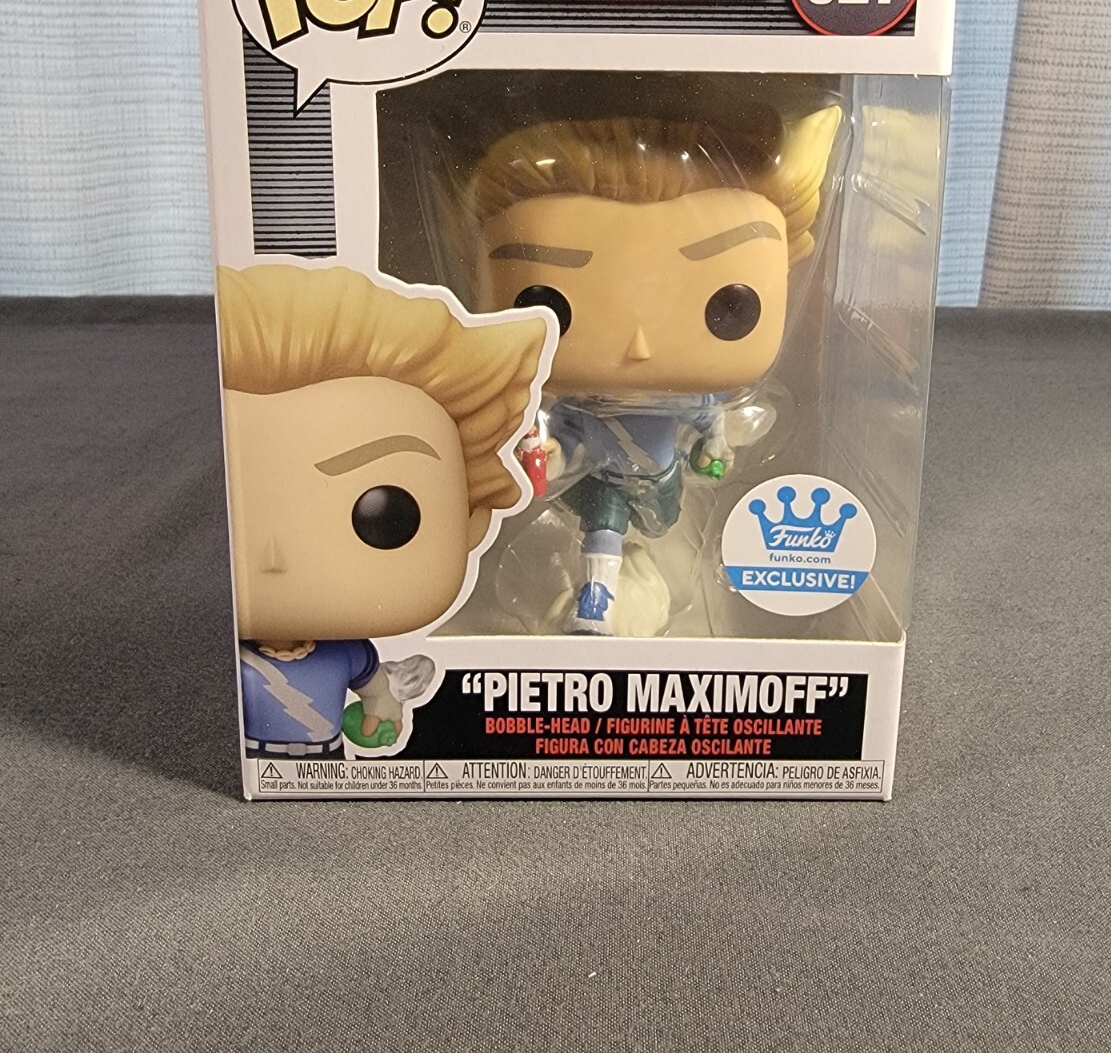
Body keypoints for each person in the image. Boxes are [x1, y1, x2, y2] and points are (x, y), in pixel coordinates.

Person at [469, 107, 840, 633]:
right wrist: (549, 454)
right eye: (547, 303)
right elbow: (566, 443)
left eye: (729, 306)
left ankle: (628, 581)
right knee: (603, 525)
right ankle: (596, 602)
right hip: (602, 480)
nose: (639, 347)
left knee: (657, 536)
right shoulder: (575, 405)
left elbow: (709, 438)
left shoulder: (695, 401)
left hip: (662, 485)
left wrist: (714, 451)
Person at [218, 264, 547, 754]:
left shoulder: (349, 656)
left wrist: (383, 709)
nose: (272, 555)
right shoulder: (235, 661)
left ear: (470, 517)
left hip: (329, 757)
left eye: (385, 516)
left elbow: (378, 693)